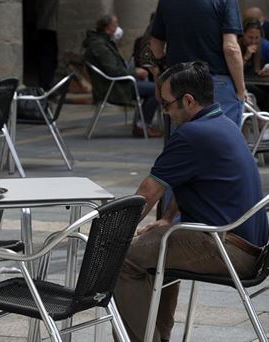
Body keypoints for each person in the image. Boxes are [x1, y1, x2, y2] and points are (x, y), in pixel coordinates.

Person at [113, 61, 268, 342]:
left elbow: (146, 194)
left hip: (228, 250)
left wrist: (112, 235)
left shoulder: (191, 135)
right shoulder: (224, 123)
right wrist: (167, 219)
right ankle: (158, 335)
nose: (164, 111)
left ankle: (145, 338)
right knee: (159, 247)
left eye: (166, 103)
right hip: (251, 248)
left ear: (188, 100)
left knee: (122, 259)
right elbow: (187, 180)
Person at [150, 0, 245, 126]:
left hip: (178, 82)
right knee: (221, 139)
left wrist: (161, 79)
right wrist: (241, 90)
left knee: (182, 140)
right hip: (216, 80)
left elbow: (156, 44)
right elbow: (231, 48)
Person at [83, 14, 160, 138]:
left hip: (117, 83)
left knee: (153, 87)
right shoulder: (100, 46)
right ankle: (141, 126)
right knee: (157, 90)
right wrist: (135, 72)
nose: (118, 28)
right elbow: (114, 71)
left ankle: (142, 124)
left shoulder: (104, 42)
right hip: (113, 87)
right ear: (108, 29)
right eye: (115, 25)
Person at [238, 19, 269, 111]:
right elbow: (234, 69)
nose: (253, 41)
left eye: (257, 38)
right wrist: (246, 57)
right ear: (243, 35)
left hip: (256, 81)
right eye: (250, 37)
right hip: (242, 83)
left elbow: (258, 71)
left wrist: (264, 72)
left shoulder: (263, 46)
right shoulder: (236, 46)